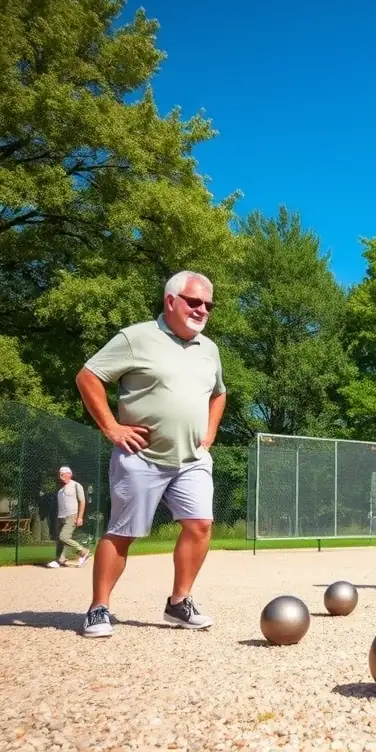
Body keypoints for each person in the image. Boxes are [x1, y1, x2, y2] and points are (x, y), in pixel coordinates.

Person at [75, 270, 227, 637]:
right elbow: (88, 376)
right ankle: (99, 608)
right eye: (194, 302)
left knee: (200, 525)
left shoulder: (209, 349)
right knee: (123, 532)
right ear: (171, 301)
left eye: (208, 305)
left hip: (191, 459)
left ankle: (179, 602)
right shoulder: (136, 337)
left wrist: (208, 433)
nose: (202, 310)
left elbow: (219, 393)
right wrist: (112, 427)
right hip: (142, 456)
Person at [47, 466, 90, 569]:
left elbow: (82, 501)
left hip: (72, 516)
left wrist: (80, 517)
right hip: (60, 517)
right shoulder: (60, 489)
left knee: (64, 537)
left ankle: (83, 551)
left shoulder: (76, 485)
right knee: (59, 540)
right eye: (60, 474)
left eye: (63, 473)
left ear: (69, 474)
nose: (60, 475)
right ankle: (60, 560)